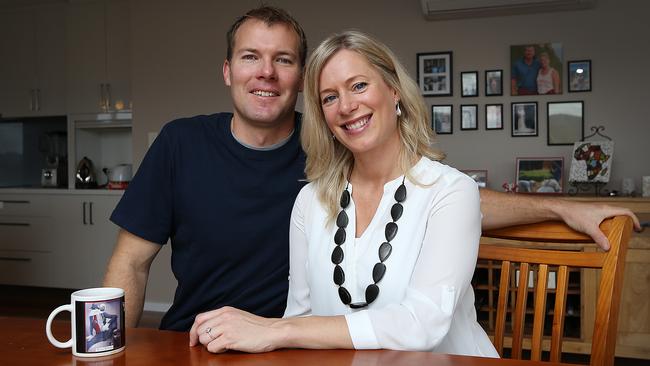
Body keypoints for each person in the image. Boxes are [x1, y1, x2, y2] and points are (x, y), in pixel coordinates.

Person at [103, 6, 641, 334]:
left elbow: (426, 197)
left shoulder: (333, 150)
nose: (265, 72)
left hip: (299, 342)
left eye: (284, 60)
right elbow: (130, 264)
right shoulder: (182, 143)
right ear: (228, 70)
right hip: (198, 336)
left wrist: (558, 205)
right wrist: (110, 350)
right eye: (250, 57)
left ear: (298, 78)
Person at [188, 30, 499, 355]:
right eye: (329, 97)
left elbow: (421, 324)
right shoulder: (310, 201)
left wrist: (273, 328)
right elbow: (300, 317)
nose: (347, 106)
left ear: (394, 90)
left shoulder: (451, 192)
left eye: (359, 85)